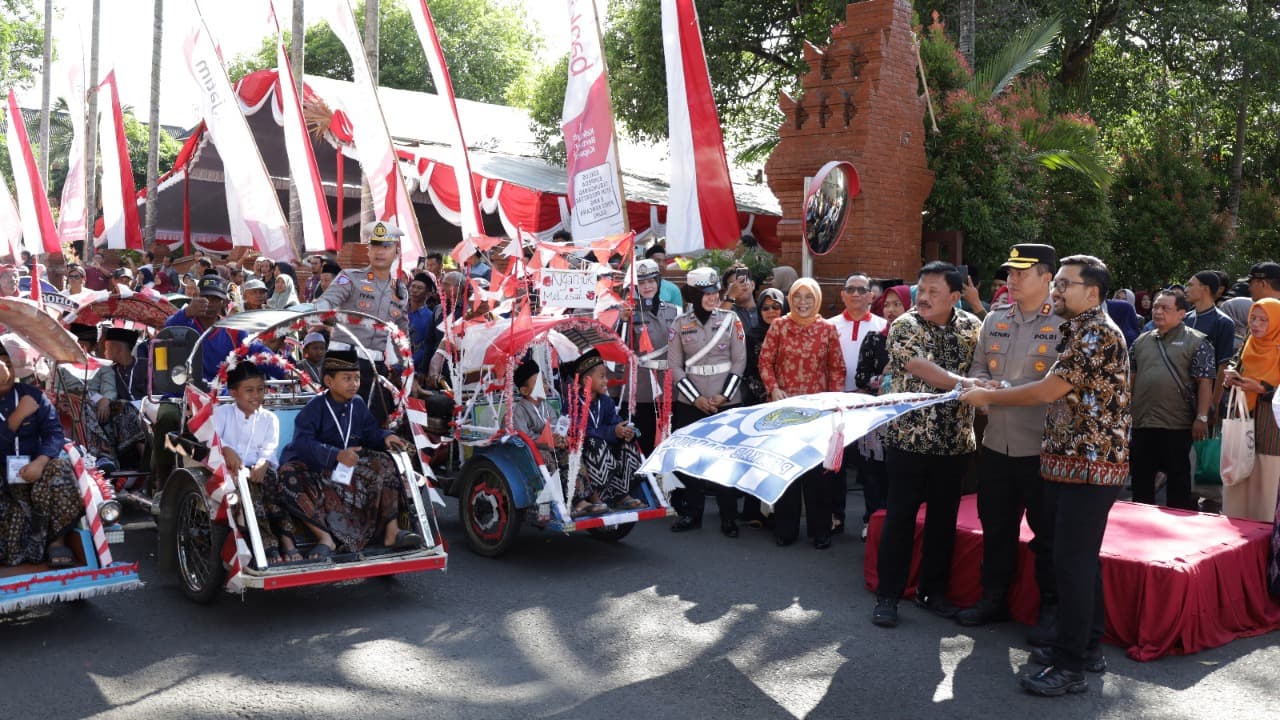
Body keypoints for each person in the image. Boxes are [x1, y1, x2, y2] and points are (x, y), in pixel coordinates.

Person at [961, 254, 1130, 697]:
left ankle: (1070, 665)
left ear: (1092, 293)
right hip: (1066, 464)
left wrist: (988, 399)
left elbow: (1047, 390)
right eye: (1055, 284)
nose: (1056, 292)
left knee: (1071, 565)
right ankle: (1086, 647)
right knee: (1078, 561)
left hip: (1089, 467)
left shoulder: (1096, 332)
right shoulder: (1078, 328)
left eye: (1065, 285)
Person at [946, 244, 1064, 629]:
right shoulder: (994, 319)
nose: (1011, 280)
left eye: (1021, 273)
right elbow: (978, 368)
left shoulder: (1066, 324)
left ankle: (1050, 609)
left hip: (1042, 448)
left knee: (1047, 535)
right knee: (996, 527)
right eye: (1009, 273)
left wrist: (999, 391)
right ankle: (992, 597)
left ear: (1047, 277)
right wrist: (982, 388)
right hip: (996, 443)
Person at [871, 261, 981, 629]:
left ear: (955, 296)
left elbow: (986, 368)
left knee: (942, 522)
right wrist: (965, 384)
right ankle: (888, 595)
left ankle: (932, 592)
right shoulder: (904, 325)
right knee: (900, 518)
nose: (925, 297)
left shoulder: (972, 327)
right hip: (909, 441)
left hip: (955, 444)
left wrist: (984, 383)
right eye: (921, 290)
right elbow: (919, 366)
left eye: (935, 292)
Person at [276, 349, 415, 558]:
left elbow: (370, 432)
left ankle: (392, 531)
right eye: (347, 378)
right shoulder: (315, 407)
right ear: (329, 381)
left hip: (349, 468)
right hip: (316, 470)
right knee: (287, 474)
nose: (354, 384)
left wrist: (385, 436)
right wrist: (335, 455)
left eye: (357, 378)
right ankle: (325, 538)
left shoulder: (357, 403)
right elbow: (302, 443)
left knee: (385, 462)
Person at [758, 278, 846, 549]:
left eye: (809, 297)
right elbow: (765, 362)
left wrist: (833, 402)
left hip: (817, 414)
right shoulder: (779, 326)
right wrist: (773, 389)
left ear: (817, 299)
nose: (803, 302)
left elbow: (837, 369)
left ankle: (820, 531)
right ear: (791, 298)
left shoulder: (827, 329)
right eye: (798, 296)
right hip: (784, 412)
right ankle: (786, 529)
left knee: (817, 475)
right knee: (787, 470)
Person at [667, 267, 746, 537]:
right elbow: (675, 367)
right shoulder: (679, 324)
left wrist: (723, 396)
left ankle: (729, 517)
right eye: (706, 293)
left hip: (726, 399)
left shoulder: (731, 319)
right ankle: (692, 513)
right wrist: (697, 399)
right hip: (691, 402)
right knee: (690, 460)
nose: (713, 297)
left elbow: (740, 361)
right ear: (693, 294)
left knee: (725, 460)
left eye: (715, 292)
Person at [316, 221, 410, 423]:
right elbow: (326, 301)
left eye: (386, 247)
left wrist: (406, 369)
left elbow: (402, 333)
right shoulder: (350, 278)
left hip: (377, 364)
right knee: (340, 422)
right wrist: (326, 312)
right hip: (344, 358)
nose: (380, 252)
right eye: (375, 246)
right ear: (368, 250)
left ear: (396, 252)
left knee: (375, 421)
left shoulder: (400, 291)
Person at [1129, 290, 1214, 511]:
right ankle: (1140, 524)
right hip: (1142, 422)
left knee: (1178, 482)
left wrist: (1202, 417)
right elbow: (1131, 379)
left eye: (1165, 308)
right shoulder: (1141, 341)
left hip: (1177, 424)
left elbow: (1205, 382)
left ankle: (1177, 531)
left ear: (1182, 313)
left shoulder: (1197, 342)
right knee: (1140, 480)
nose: (1157, 311)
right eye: (1156, 307)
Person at [0, 340, 82, 567]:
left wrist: (40, 462)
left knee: (60, 467)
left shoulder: (33, 395)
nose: (4, 372)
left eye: (8, 364)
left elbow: (55, 434)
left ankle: (57, 542)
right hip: (3, 482)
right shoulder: (25, 403)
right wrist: (17, 417)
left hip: (35, 472)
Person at [213, 363, 298, 564]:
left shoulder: (269, 418)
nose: (256, 396)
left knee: (275, 489)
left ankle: (287, 539)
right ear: (233, 392)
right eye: (249, 391)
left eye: (261, 390)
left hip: (260, 469)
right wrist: (226, 449)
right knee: (250, 492)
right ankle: (267, 544)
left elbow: (269, 447)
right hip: (231, 471)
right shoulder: (223, 413)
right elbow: (213, 437)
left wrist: (263, 464)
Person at [853, 284, 912, 540]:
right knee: (874, 473)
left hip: (908, 420)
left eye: (897, 304)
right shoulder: (875, 338)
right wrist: (883, 376)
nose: (890, 310)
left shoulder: (917, 340)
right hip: (878, 419)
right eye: (886, 305)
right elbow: (861, 378)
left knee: (901, 474)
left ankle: (899, 524)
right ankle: (873, 521)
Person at [830, 272, 887, 534]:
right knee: (834, 463)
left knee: (870, 467)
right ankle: (835, 515)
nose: (855, 294)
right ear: (842, 294)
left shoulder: (882, 325)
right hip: (836, 402)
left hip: (870, 405)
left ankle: (870, 519)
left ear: (870, 295)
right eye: (850, 289)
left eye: (861, 290)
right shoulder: (829, 325)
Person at [1222, 298, 1280, 521]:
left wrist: (1264, 389)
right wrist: (1231, 376)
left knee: (1266, 483)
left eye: (1264, 320)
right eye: (1253, 319)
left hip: (1271, 428)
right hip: (1243, 419)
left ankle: (1264, 533)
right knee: (1239, 476)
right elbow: (1236, 365)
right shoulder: (1249, 343)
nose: (1256, 324)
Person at [571, 350, 646, 514]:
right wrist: (613, 432)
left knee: (629, 443)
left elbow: (614, 421)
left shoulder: (605, 401)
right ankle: (593, 496)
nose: (607, 381)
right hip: (584, 450)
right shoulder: (574, 402)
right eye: (602, 376)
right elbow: (582, 431)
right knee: (595, 443)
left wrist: (625, 430)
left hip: (605, 450)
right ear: (586, 380)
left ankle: (621, 493)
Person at [617, 259, 679, 455]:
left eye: (651, 281)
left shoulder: (674, 310)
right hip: (642, 385)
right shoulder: (628, 312)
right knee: (644, 437)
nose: (647, 287)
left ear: (658, 282)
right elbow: (621, 348)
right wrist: (625, 321)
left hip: (669, 383)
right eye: (642, 283)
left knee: (670, 434)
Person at [1185, 270, 1238, 407]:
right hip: (1182, 396)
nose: (1186, 289)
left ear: (1205, 289)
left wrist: (1213, 403)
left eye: (1190, 285)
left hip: (1207, 395)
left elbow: (1223, 366)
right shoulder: (1185, 319)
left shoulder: (1223, 322)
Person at [407, 273, 437, 379]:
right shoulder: (401, 311)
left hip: (414, 369)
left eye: (419, 288)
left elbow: (425, 347)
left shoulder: (429, 317)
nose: (414, 290)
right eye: (413, 286)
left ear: (428, 294)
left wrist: (409, 365)